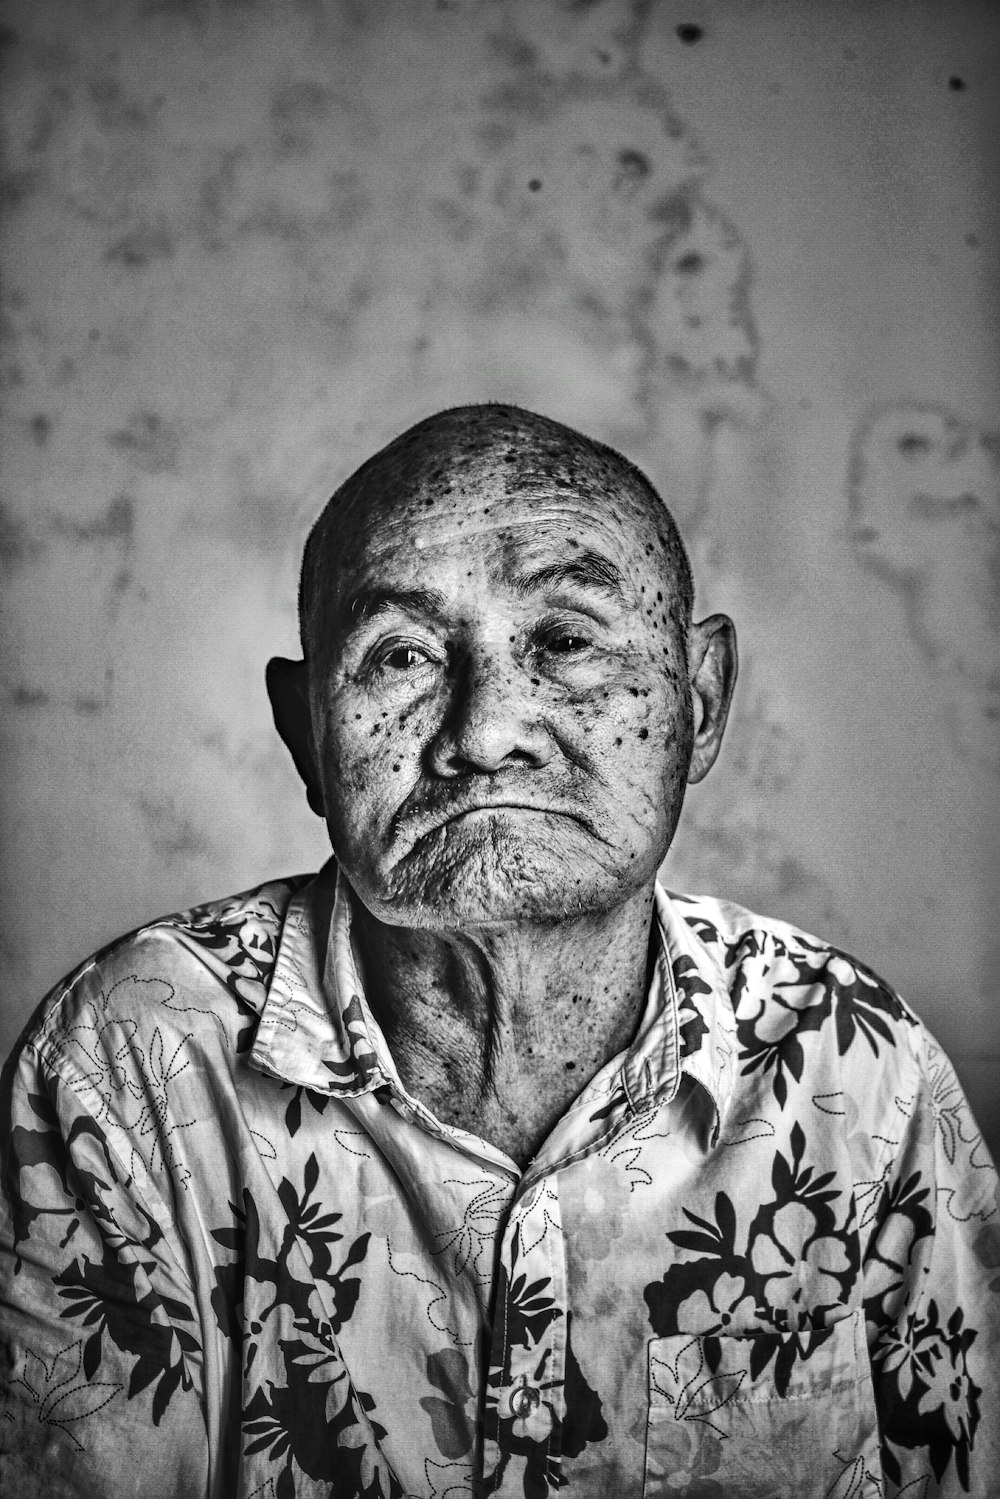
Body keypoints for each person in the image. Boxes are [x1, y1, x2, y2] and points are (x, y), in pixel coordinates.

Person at [1, 404, 997, 1499]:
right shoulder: (134, 1062)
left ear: (700, 698)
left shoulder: (856, 1066)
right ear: (305, 735)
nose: (484, 731)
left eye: (565, 640)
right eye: (402, 655)